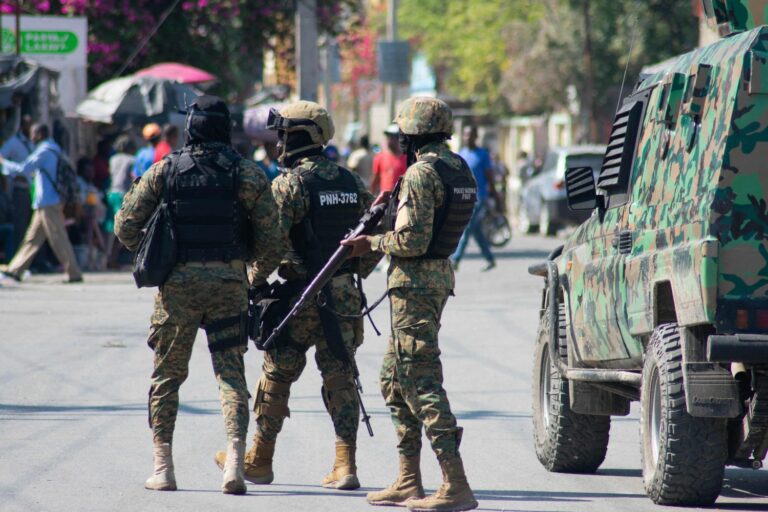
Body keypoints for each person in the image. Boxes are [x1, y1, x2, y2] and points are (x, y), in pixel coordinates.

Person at [114, 95, 283, 495]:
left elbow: (124, 227)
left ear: (190, 128)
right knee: (231, 374)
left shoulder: (165, 170)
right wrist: (250, 276)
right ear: (227, 129)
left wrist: (155, 250)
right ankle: (235, 466)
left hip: (178, 289)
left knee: (168, 376)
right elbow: (273, 241)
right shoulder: (247, 174)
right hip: (229, 285)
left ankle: (163, 468)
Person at [213, 100, 378, 491]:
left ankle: (259, 459)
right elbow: (372, 243)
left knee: (276, 375)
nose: (278, 143)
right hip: (342, 299)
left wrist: (252, 282)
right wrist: (349, 278)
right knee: (341, 377)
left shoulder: (290, 184)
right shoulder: (351, 181)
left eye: (283, 134)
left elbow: (269, 245)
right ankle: (345, 465)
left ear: (300, 136)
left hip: (299, 299)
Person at [342, 97, 479, 512]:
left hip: (415, 285)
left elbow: (411, 241)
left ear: (411, 134)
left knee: (421, 381)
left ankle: (455, 483)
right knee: (393, 378)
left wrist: (370, 243)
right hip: (434, 280)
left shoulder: (421, 173)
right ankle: (408, 480)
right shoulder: (458, 167)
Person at [0, 123, 83, 283]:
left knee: (58, 237)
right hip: (45, 202)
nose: (31, 137)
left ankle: (74, 273)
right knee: (32, 238)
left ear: (40, 134)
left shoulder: (44, 151)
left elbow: (24, 169)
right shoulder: (54, 149)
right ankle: (16, 269)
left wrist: (4, 163)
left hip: (48, 201)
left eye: (33, 133)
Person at [449, 125, 500, 272]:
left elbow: (490, 177)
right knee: (476, 231)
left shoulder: (483, 155)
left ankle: (456, 259)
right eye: (465, 135)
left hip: (479, 198)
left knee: (467, 227)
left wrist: (495, 197)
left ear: (475, 136)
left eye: (470, 135)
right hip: (464, 197)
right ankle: (489, 258)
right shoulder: (462, 154)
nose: (467, 137)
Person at [2, 115, 34, 250]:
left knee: (32, 226)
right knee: (20, 226)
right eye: (28, 125)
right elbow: (1, 158)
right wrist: (14, 174)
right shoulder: (14, 142)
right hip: (20, 188)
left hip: (33, 189)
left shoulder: (33, 143)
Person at [105, 135, 136, 268]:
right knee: (122, 227)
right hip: (123, 194)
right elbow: (134, 176)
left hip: (111, 193)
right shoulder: (131, 159)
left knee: (110, 228)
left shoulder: (112, 159)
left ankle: (108, 257)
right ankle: (114, 259)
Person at [370, 124, 407, 194]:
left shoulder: (406, 157)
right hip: (385, 199)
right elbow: (375, 179)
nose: (389, 140)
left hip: (400, 198)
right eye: (388, 137)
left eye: (392, 137)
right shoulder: (380, 157)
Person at [0, 175, 15, 262]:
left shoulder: (4, 196)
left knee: (10, 229)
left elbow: (10, 214)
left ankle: (9, 260)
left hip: (3, 226)